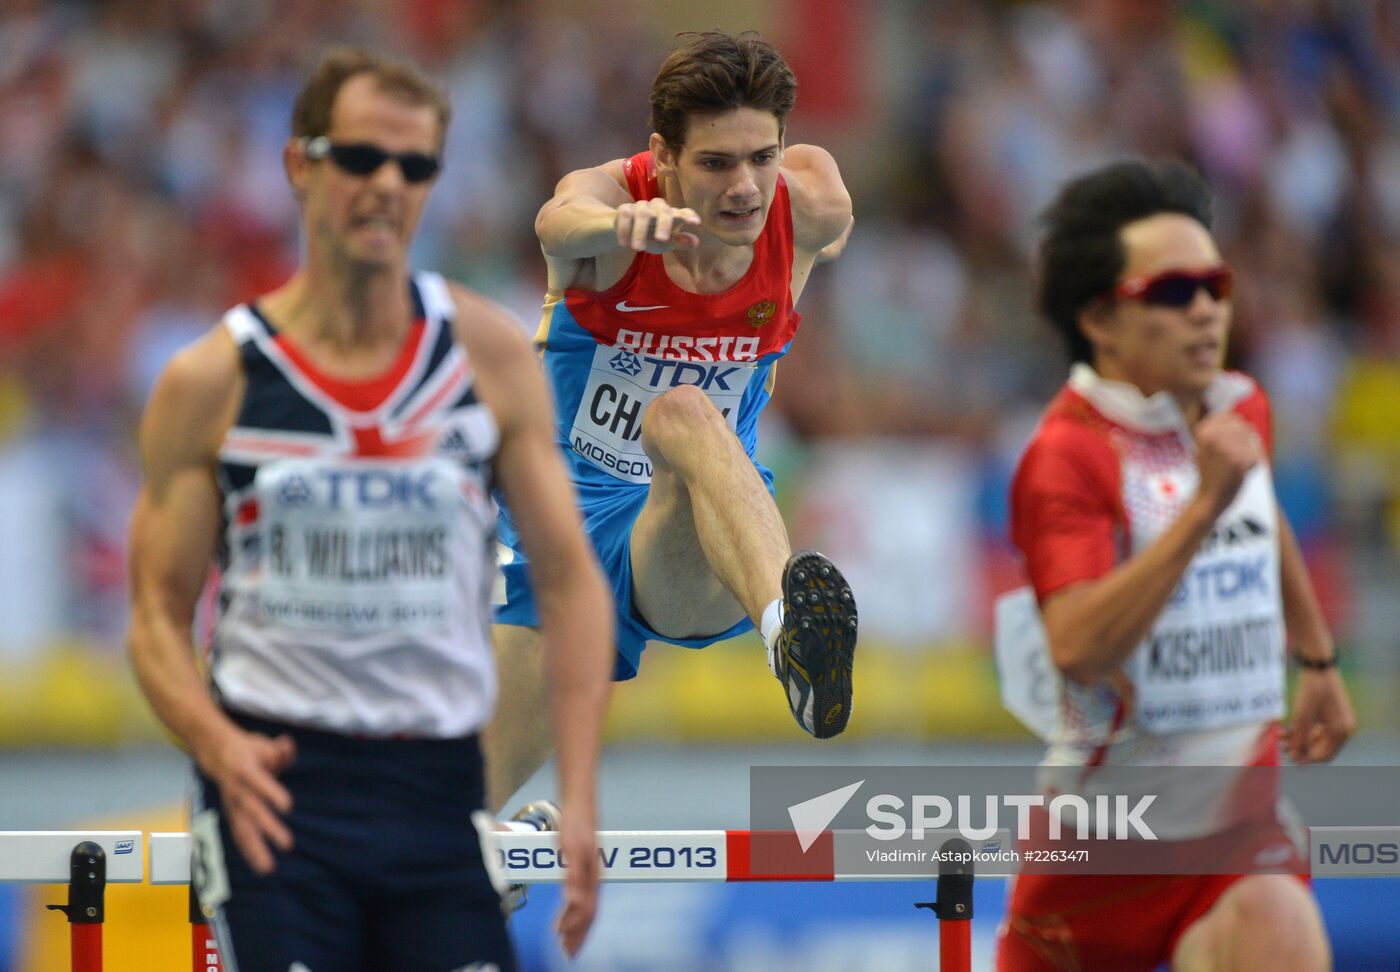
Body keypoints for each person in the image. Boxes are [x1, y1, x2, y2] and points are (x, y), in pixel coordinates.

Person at [126, 47, 614, 970]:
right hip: (276, 791)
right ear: (300, 166)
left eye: (415, 165)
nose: (386, 185)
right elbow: (154, 613)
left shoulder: (490, 360)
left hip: (437, 784)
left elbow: (570, 582)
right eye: (359, 159)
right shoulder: (212, 383)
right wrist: (215, 746)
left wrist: (581, 791)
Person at [995, 159, 1356, 971]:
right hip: (1100, 854)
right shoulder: (1067, 454)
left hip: (1240, 830)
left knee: (1283, 926)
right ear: (1099, 318)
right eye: (1170, 292)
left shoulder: (1239, 406)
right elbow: (1079, 645)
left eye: (1214, 285)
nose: (1204, 311)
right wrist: (1202, 505)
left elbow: (1263, 522)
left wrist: (1317, 656)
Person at [486, 29, 858, 811]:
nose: (745, 188)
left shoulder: (809, 207)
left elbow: (817, 205)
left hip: (695, 537)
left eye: (762, 157)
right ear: (663, 158)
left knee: (685, 413)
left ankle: (789, 632)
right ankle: (504, 853)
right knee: (452, 822)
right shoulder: (613, 210)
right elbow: (557, 220)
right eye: (716, 163)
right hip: (561, 547)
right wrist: (623, 229)